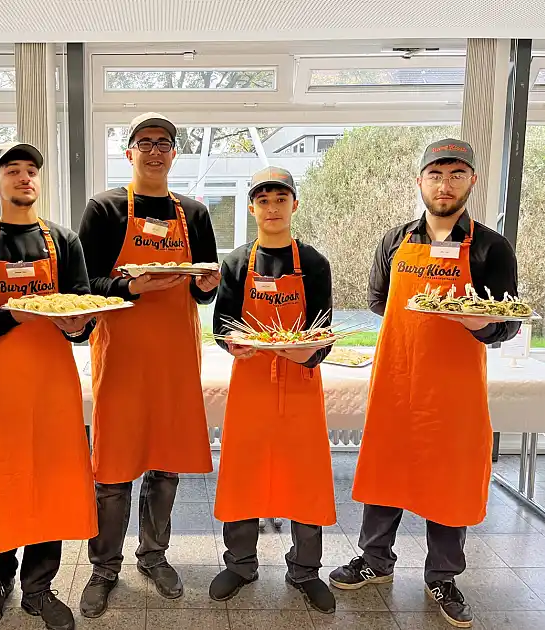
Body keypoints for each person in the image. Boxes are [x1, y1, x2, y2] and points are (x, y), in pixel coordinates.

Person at [329, 139, 522, 629]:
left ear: (471, 180)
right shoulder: (395, 240)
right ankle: (375, 559)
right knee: (386, 471)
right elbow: (379, 299)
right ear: (420, 181)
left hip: (454, 389)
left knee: (449, 478)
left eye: (457, 174)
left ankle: (443, 576)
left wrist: (480, 326)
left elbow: (508, 320)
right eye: (436, 174)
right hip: (397, 379)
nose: (445, 183)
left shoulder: (490, 246)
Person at [76, 112, 220, 617]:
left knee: (166, 464)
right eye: (144, 142)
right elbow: (84, 285)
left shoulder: (195, 213)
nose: (154, 150)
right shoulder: (105, 208)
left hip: (176, 356)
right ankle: (104, 567)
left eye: (164, 143)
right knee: (113, 469)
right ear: (129, 152)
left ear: (174, 153)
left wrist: (207, 285)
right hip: (122, 356)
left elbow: (205, 284)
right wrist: (128, 286)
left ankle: (154, 555)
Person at [0, 141, 97, 630]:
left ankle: (40, 587)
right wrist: (12, 314)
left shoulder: (63, 241)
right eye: (12, 170)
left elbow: (82, 310)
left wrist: (78, 326)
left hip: (53, 382)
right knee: (1, 479)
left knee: (50, 481)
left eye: (31, 170)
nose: (24, 178)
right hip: (1, 381)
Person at [209, 167, 337, 613]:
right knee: (243, 474)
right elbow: (223, 321)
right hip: (251, 387)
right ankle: (240, 564)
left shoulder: (315, 263)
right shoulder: (237, 262)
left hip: (301, 386)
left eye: (280, 199)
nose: (272, 207)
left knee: (306, 479)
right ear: (252, 208)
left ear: (294, 205)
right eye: (263, 200)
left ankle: (305, 570)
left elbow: (323, 330)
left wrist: (308, 354)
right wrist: (234, 344)